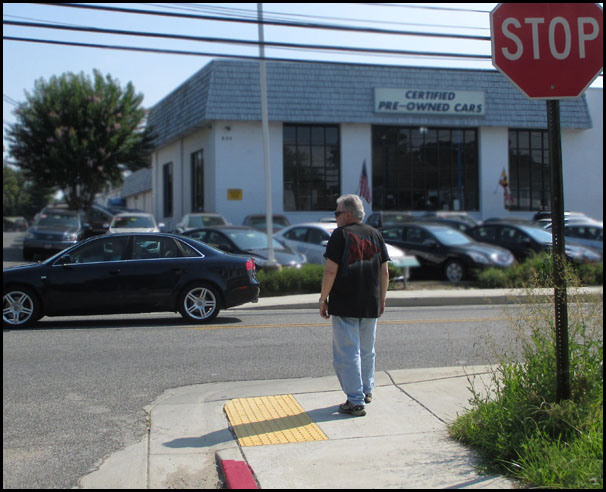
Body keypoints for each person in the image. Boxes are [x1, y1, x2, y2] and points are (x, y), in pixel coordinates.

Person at [319, 194, 390, 417]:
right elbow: (384, 271)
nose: (336, 217)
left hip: (345, 302)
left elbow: (331, 270)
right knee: (367, 350)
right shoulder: (376, 234)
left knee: (347, 354)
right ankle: (366, 390)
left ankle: (355, 400)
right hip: (371, 302)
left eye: (337, 213)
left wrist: (323, 299)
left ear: (349, 214)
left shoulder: (340, 235)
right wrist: (382, 299)